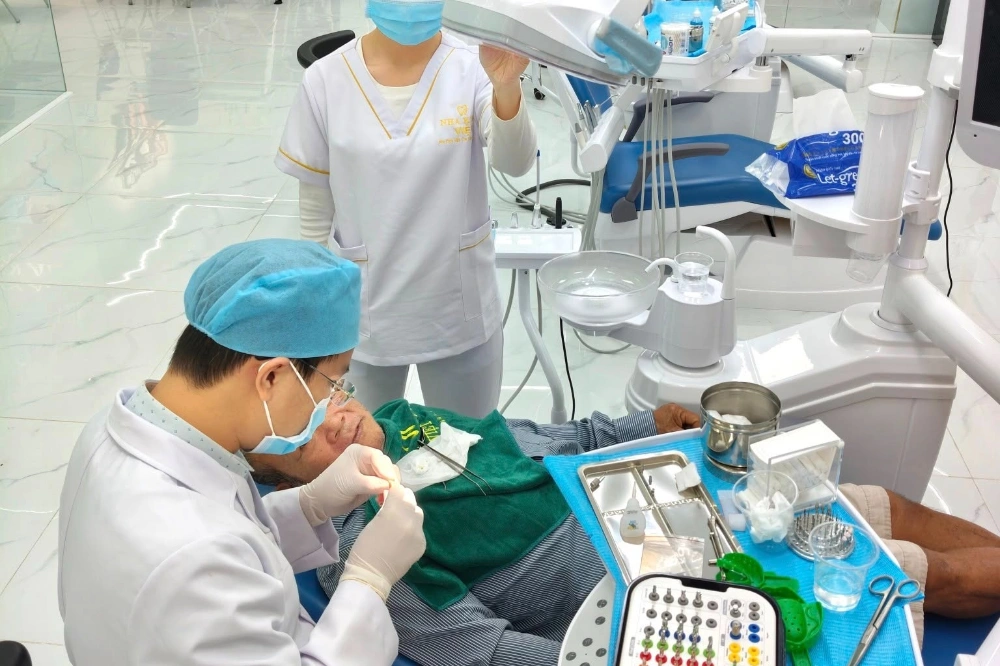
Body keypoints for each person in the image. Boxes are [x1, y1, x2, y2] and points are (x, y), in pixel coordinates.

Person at [57, 239, 427, 666]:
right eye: (331, 385)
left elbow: (232, 541)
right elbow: (214, 555)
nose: (333, 404)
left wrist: (309, 506)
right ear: (271, 378)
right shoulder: (192, 559)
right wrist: (369, 580)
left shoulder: (115, 428)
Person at [247, 397, 702, 666]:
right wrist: (610, 659)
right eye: (303, 436)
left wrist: (641, 426)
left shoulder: (402, 418)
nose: (335, 420)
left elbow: (533, 439)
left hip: (651, 527)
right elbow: (481, 650)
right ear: (290, 488)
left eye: (328, 396)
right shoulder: (364, 546)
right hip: (618, 610)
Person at [275, 0, 538, 419]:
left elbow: (515, 162)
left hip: (456, 307)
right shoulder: (325, 79)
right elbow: (314, 211)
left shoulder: (473, 65)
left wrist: (506, 86)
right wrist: (315, 311)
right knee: (367, 446)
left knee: (467, 442)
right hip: (364, 314)